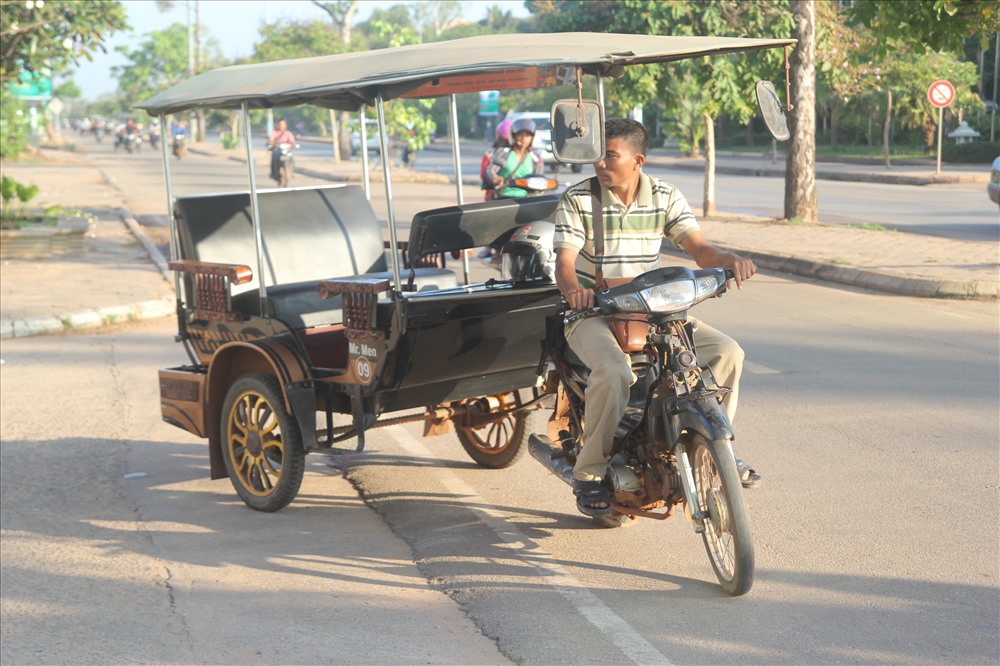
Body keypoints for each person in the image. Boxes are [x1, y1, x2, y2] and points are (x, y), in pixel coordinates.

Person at [552, 118, 761, 517]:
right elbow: (563, 261)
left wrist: (731, 261)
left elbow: (700, 250)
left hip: (652, 308)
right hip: (592, 312)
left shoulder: (665, 195)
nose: (599, 162)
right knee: (615, 372)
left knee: (728, 352)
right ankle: (590, 472)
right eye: (597, 154)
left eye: (609, 155)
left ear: (637, 160)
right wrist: (573, 292)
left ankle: (717, 449)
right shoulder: (578, 198)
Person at [484, 116, 543, 200]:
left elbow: (539, 179)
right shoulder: (504, 153)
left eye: (527, 135)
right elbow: (490, 170)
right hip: (504, 198)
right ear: (514, 136)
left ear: (532, 138)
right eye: (520, 134)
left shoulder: (536, 158)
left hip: (527, 199)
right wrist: (495, 178)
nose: (524, 138)